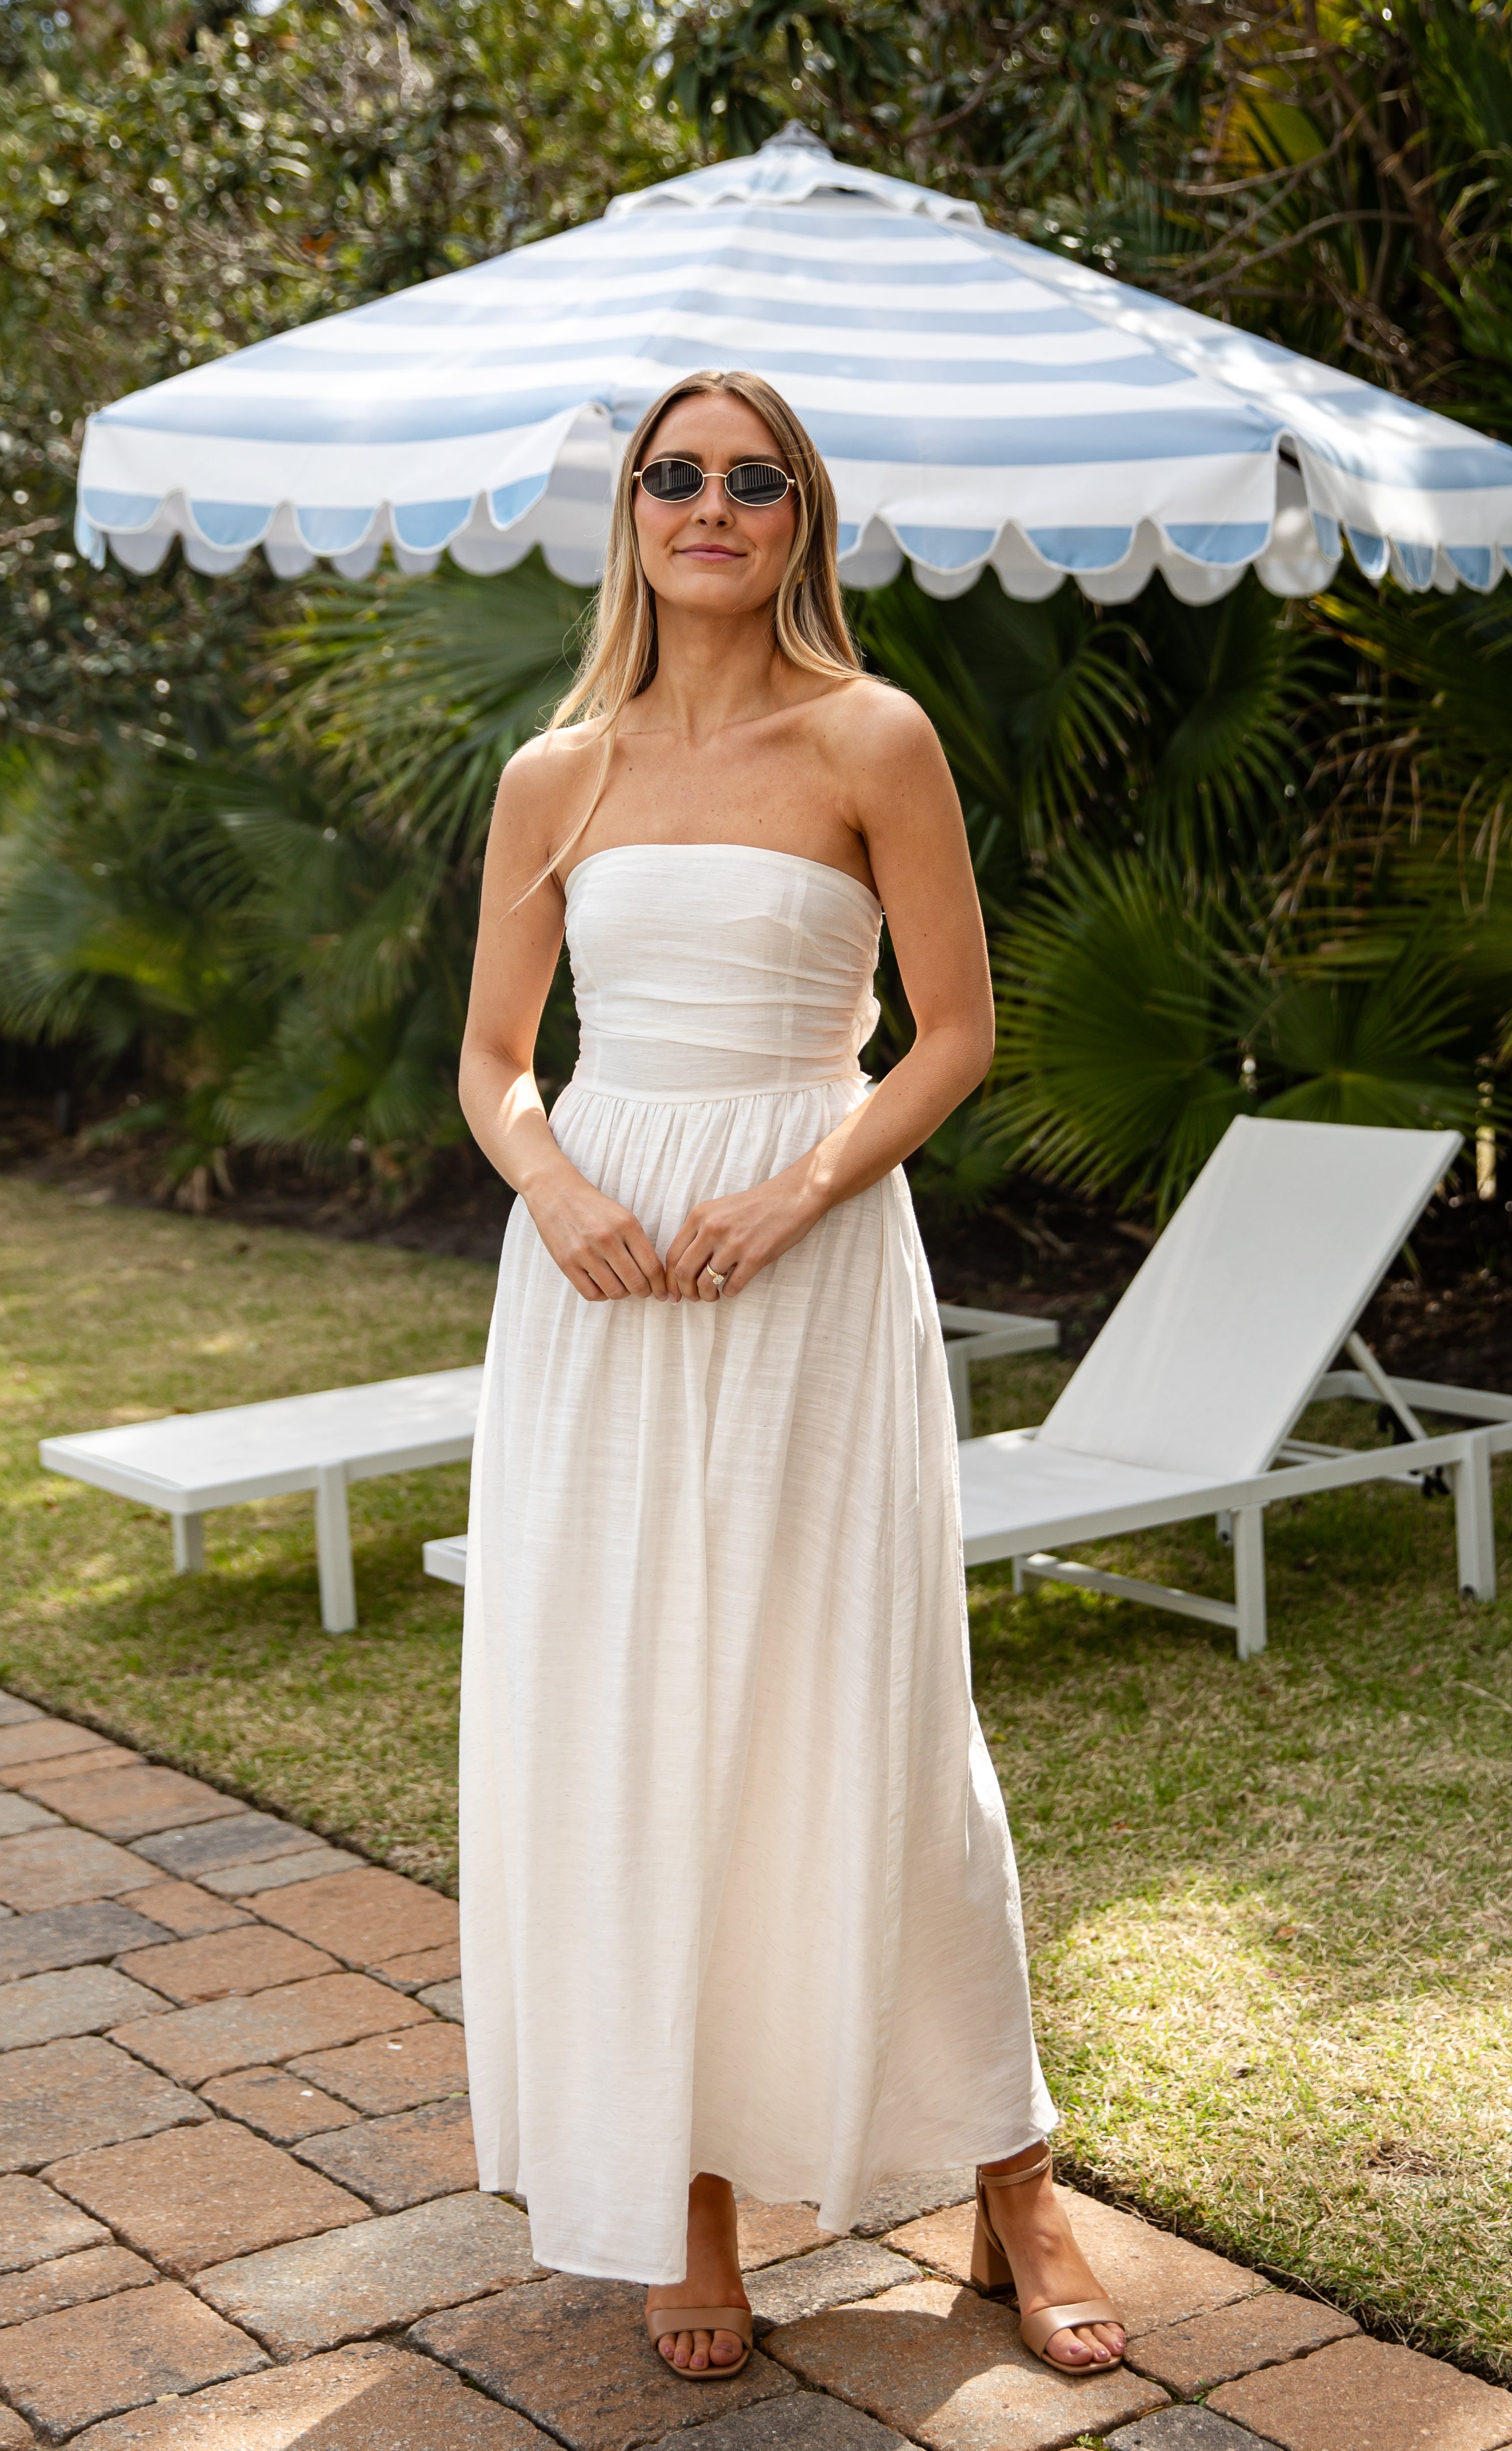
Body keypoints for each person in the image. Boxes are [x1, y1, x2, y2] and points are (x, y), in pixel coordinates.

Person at [456, 368, 1125, 2382]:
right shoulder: (548, 775)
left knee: (878, 1712)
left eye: (753, 480)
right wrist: (558, 1185)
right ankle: (684, 2196)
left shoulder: (873, 735)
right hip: (595, 1291)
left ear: (800, 518)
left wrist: (798, 1187)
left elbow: (950, 1034)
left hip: (813, 1266)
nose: (712, 505)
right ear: (633, 515)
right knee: (628, 1723)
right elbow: (493, 1062)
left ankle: (1011, 2178)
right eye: (676, 475)